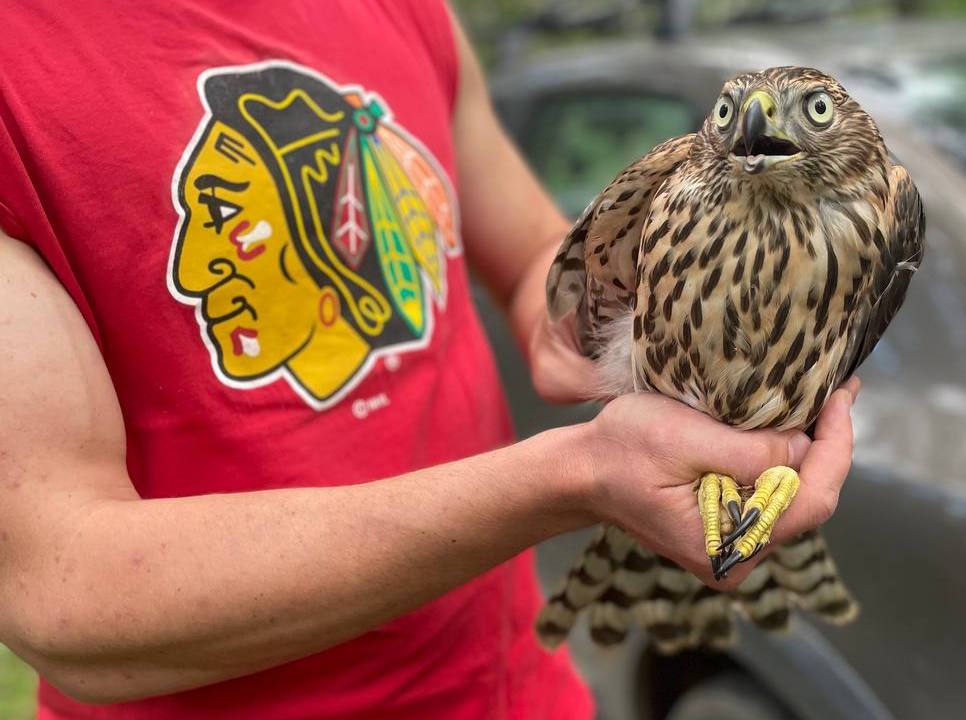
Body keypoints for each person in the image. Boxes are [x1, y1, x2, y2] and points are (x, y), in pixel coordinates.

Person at [0, 2, 858, 718]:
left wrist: (627, 348)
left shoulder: (402, 8)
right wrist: (577, 474)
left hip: (521, 692)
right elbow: (66, 593)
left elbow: (537, 263)